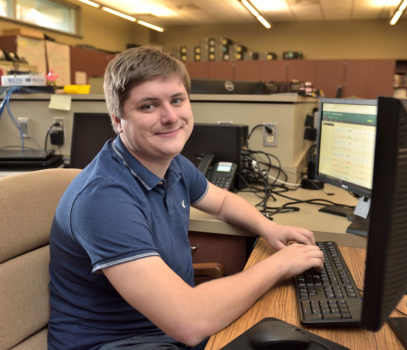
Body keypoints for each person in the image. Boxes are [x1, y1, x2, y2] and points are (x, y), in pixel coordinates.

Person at [48, 46, 324, 350]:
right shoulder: (104, 199)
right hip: (119, 342)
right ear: (117, 121)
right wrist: (279, 265)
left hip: (166, 328)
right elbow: (189, 322)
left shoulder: (173, 164)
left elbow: (221, 202)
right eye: (149, 106)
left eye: (177, 100)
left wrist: (269, 228)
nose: (170, 117)